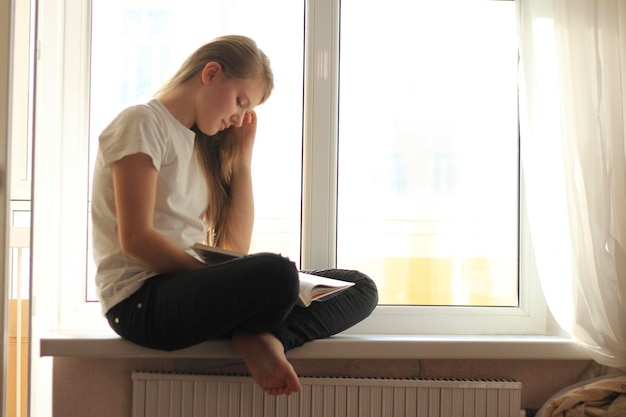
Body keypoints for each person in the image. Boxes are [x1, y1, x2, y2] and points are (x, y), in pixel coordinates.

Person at [91, 34, 378, 396]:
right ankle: (257, 332)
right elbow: (136, 239)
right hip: (139, 301)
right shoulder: (141, 123)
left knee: (359, 286)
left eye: (247, 110)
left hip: (186, 289)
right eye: (241, 101)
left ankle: (265, 338)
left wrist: (242, 158)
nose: (239, 117)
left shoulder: (197, 144)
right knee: (278, 274)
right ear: (211, 74)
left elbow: (234, 247)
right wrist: (214, 277)